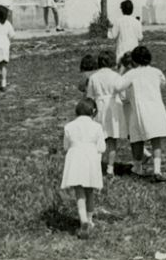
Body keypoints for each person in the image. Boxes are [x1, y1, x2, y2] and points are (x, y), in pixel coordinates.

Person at [118, 45, 166, 182]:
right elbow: (162, 83)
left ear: (134, 61)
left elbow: (118, 86)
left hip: (139, 109)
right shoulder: (156, 72)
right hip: (156, 108)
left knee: (137, 139)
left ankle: (137, 168)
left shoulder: (131, 74)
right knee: (156, 139)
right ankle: (157, 169)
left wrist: (122, 68)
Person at [61, 97, 107, 240]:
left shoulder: (69, 126)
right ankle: (90, 219)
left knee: (79, 192)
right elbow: (102, 147)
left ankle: (83, 221)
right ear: (93, 111)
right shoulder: (97, 127)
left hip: (75, 158)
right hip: (91, 158)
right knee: (90, 191)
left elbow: (65, 146)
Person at [86, 49, 127, 176]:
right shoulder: (116, 76)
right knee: (112, 139)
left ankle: (96, 165)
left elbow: (90, 96)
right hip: (113, 106)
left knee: (98, 138)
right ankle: (110, 167)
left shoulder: (93, 77)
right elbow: (123, 95)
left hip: (99, 107)